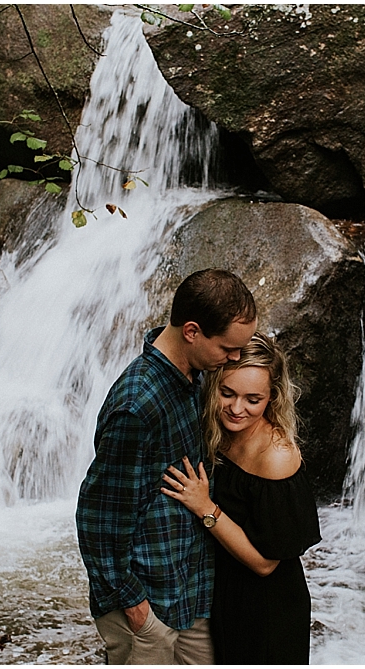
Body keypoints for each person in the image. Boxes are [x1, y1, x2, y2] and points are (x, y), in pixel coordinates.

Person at [76, 268, 257, 664]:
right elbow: (98, 515)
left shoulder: (193, 377)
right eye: (228, 348)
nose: (235, 358)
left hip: (188, 592)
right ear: (192, 331)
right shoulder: (137, 406)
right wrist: (132, 602)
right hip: (145, 605)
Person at [161, 332, 322, 664]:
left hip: (268, 607)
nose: (236, 409)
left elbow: (266, 564)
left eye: (253, 399)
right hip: (222, 590)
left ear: (272, 398)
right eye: (227, 393)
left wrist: (205, 507)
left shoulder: (275, 455)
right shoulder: (216, 429)